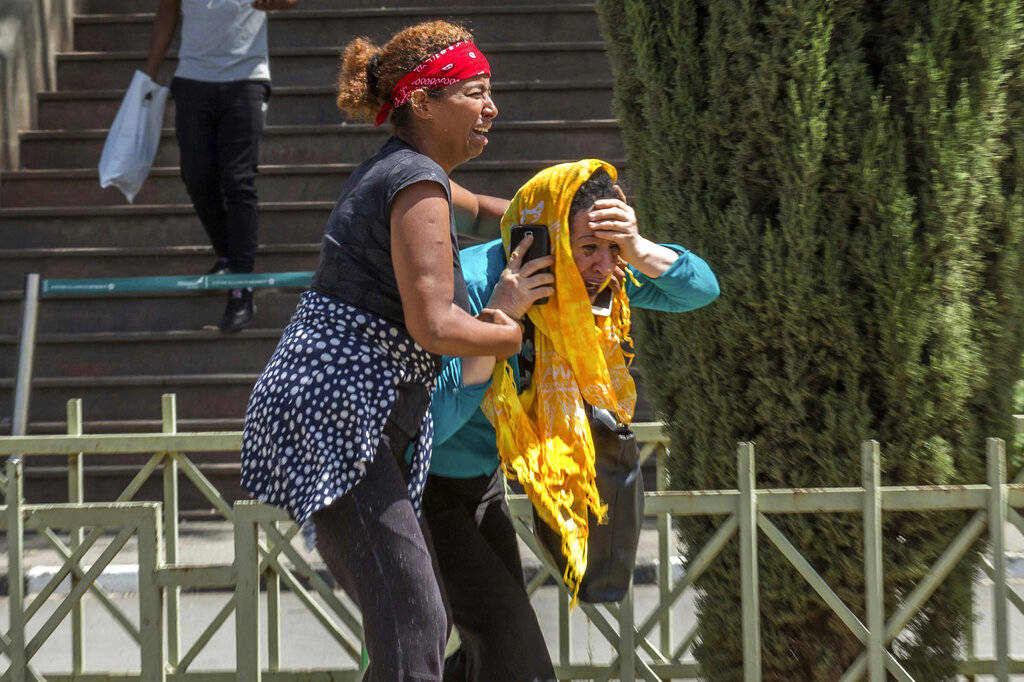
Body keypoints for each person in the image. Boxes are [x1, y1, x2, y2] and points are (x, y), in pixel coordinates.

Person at [240, 21, 523, 681]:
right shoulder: (415, 182)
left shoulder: (409, 173)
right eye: (476, 92)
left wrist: (559, 213)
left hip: (344, 410)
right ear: (423, 102)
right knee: (413, 620)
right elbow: (435, 325)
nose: (492, 108)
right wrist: (508, 331)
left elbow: (485, 209)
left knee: (417, 619)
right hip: (339, 410)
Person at [422, 160, 720, 681]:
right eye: (589, 248)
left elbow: (700, 290)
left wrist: (639, 248)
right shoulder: (475, 282)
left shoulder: (604, 278)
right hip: (420, 484)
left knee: (485, 656)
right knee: (513, 657)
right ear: (545, 241)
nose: (604, 266)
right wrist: (500, 319)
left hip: (479, 480)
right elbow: (436, 422)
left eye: (614, 248)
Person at [144, 0, 298, 331]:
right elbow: (168, 11)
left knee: (238, 180)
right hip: (192, 79)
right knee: (196, 176)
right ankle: (228, 257)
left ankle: (240, 289)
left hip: (246, 79)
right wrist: (150, 71)